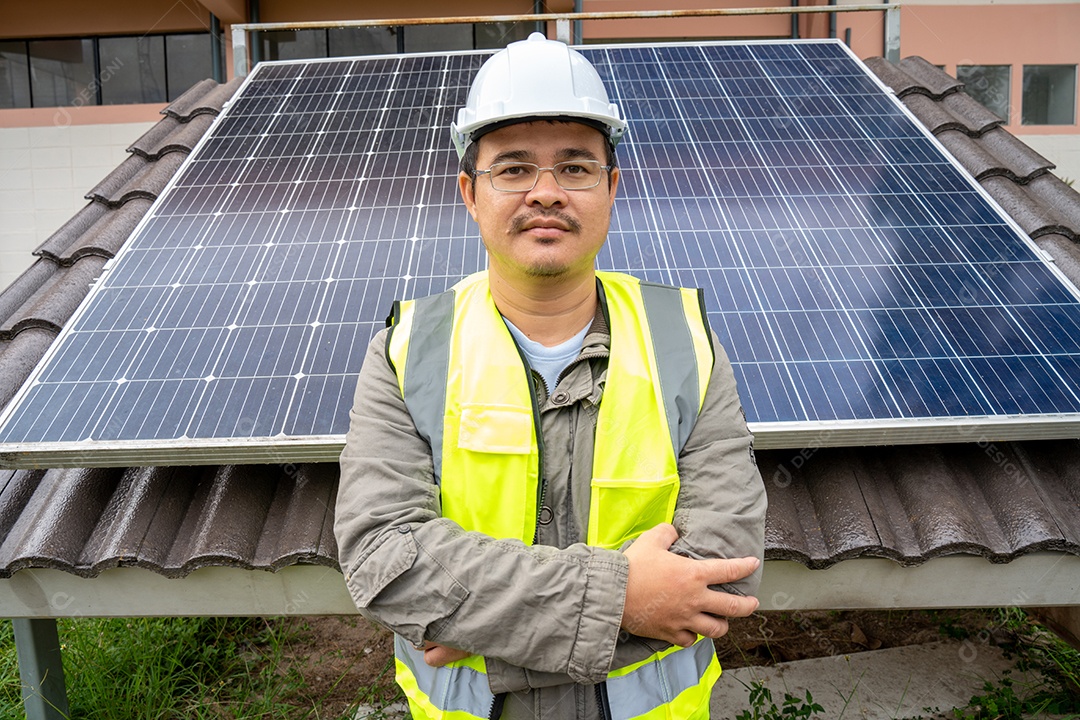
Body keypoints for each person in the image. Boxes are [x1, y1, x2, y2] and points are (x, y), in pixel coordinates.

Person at [335, 32, 767, 720]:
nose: (545, 193)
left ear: (611, 188)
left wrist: (480, 624)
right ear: (470, 194)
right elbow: (388, 562)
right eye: (512, 169)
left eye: (574, 168)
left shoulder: (684, 338)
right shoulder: (406, 348)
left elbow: (724, 559)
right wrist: (628, 601)